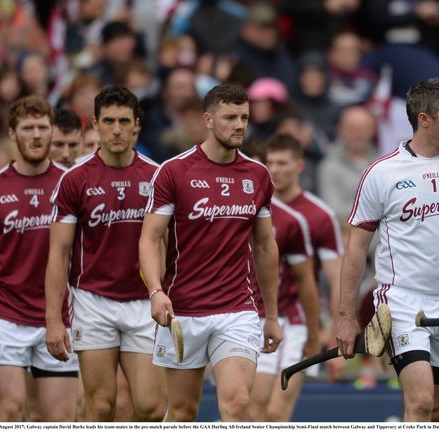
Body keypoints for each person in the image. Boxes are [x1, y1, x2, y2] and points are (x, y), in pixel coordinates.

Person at [336, 78, 439, 421]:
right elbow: (357, 248)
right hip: (403, 301)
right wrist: (345, 317)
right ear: (425, 119)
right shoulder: (382, 173)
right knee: (419, 402)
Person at [139, 83, 282, 421]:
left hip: (237, 310)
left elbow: (264, 246)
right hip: (183, 311)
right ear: (207, 119)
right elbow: (149, 238)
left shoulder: (258, 175)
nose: (239, 125)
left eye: (244, 117)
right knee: (183, 413)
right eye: (230, 117)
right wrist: (155, 291)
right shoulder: (173, 171)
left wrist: (271, 315)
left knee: (236, 404)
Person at [44, 85, 166, 421]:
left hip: (143, 302)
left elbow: (167, 245)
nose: (116, 129)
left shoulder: (157, 176)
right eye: (108, 121)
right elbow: (59, 253)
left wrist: (167, 295)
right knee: (99, 406)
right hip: (92, 302)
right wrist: (54, 321)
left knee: (152, 409)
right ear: (95, 125)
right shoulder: (74, 179)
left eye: (124, 121)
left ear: (136, 124)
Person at [0, 95, 79, 421]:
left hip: (60, 317)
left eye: (42, 127)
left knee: (60, 419)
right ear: (12, 133)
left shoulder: (72, 184)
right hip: (6, 316)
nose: (36, 135)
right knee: (10, 410)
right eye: (28, 128)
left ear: (52, 131)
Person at [248, 134, 324, 422]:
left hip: (288, 320)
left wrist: (315, 333)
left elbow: (307, 280)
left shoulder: (290, 220)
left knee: (275, 412)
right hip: (241, 318)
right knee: (250, 411)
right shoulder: (224, 214)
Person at [265, 133, 346, 382]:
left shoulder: (319, 215)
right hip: (251, 315)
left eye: (282, 163)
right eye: (270, 163)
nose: (274, 170)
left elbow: (337, 281)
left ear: (300, 166)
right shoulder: (254, 209)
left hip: (297, 317)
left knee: (275, 411)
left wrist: (335, 337)